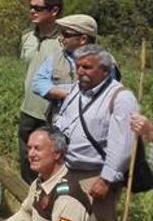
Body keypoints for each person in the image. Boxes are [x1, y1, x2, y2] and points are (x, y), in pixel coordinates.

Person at [53, 45, 138, 221]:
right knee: (64, 216)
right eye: (78, 66)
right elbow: (65, 120)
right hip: (67, 171)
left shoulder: (121, 98)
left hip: (95, 176)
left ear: (105, 70)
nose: (80, 71)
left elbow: (123, 145)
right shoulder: (76, 89)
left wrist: (106, 180)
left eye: (87, 67)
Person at [19, 0, 64, 183]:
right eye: (30, 7)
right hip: (28, 109)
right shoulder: (27, 37)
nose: (32, 12)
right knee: (27, 163)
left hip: (52, 112)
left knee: (51, 165)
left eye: (38, 8)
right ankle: (29, 204)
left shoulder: (65, 39)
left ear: (54, 10)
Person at [7, 126, 91, 221]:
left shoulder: (67, 198)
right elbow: (26, 213)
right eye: (29, 148)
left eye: (37, 149)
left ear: (57, 154)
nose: (30, 154)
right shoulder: (41, 181)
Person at [32, 15, 97, 120]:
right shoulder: (56, 56)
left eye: (66, 35)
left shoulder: (105, 63)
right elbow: (38, 83)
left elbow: (108, 94)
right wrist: (65, 94)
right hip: (58, 123)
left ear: (83, 39)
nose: (61, 38)